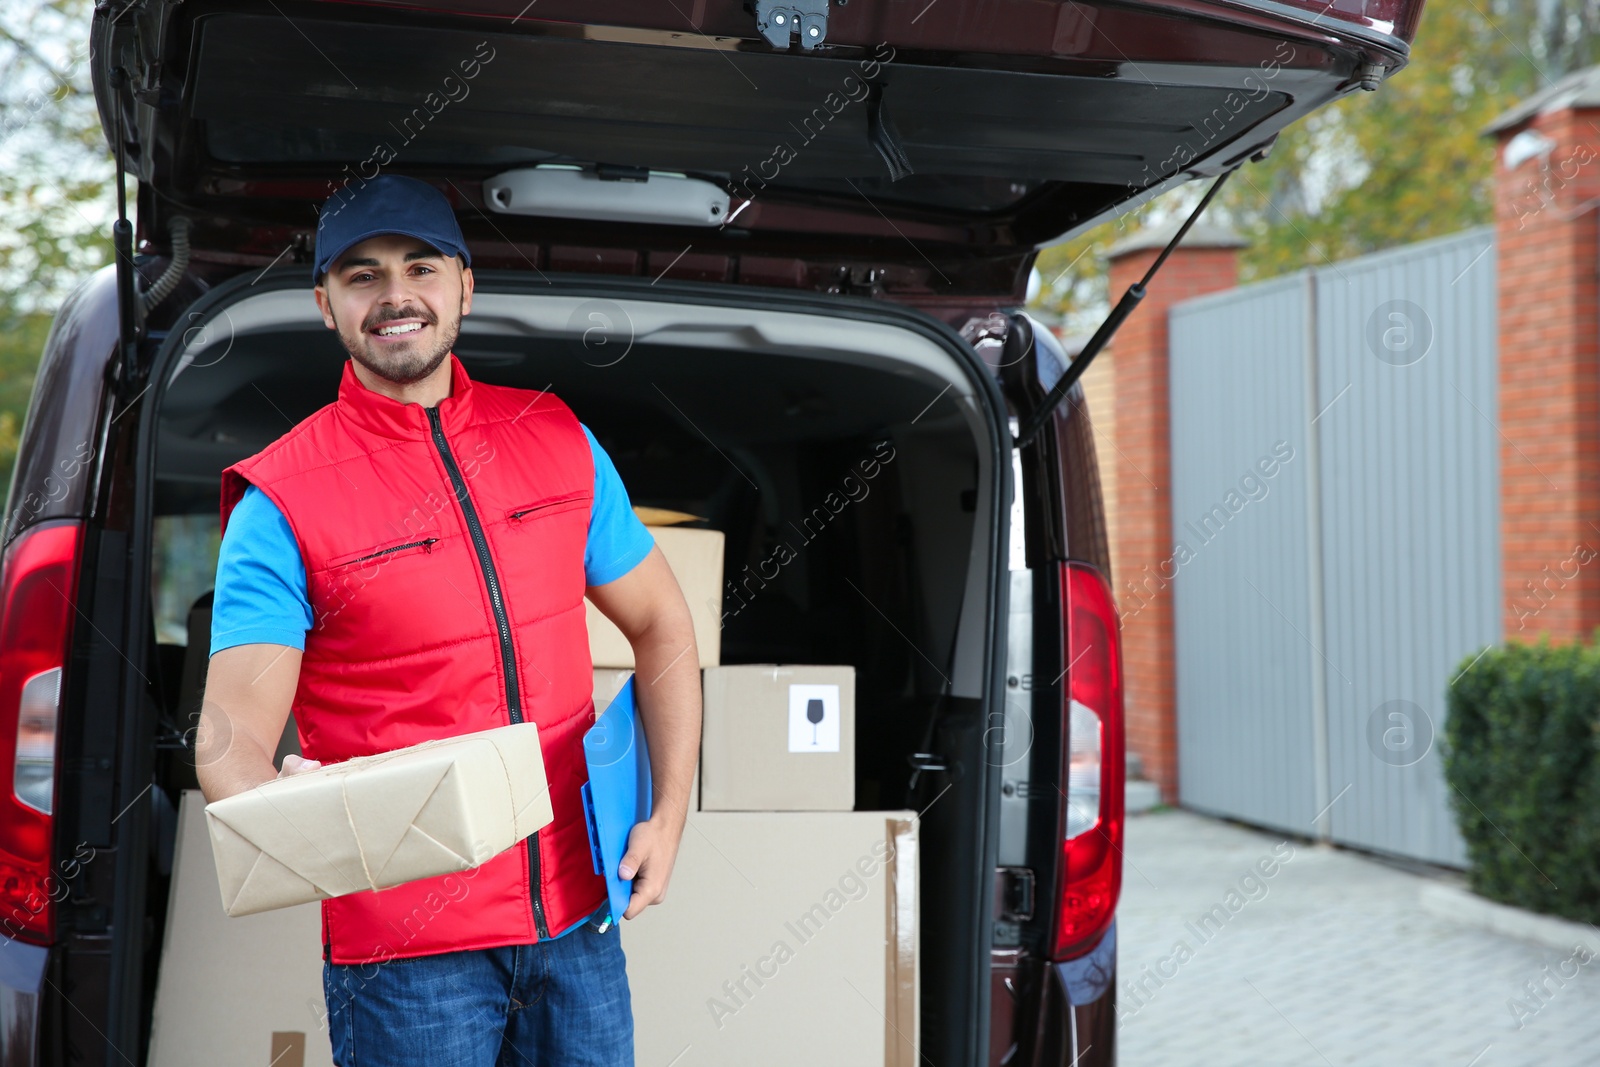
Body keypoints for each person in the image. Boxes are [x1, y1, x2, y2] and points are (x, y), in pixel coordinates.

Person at [194, 174, 701, 1067]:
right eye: (362, 275)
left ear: (464, 286)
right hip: (406, 958)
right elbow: (229, 746)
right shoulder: (280, 499)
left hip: (577, 919)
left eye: (420, 267)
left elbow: (663, 622)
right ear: (325, 304)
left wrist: (669, 813)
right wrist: (300, 809)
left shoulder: (555, 438)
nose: (396, 295)